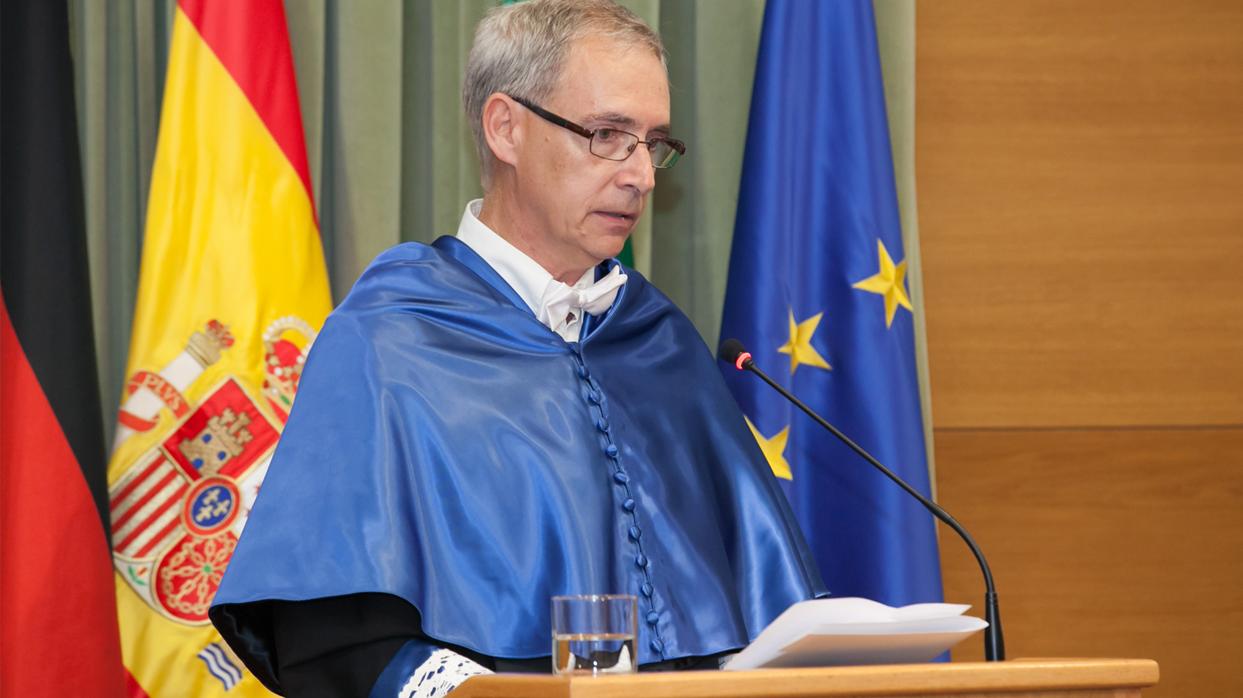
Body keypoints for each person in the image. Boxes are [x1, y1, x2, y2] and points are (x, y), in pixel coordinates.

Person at [210, 1, 825, 696]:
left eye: (652, 143)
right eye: (606, 134)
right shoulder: (389, 339)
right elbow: (332, 630)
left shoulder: (658, 341)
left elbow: (758, 611)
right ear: (505, 127)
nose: (641, 176)